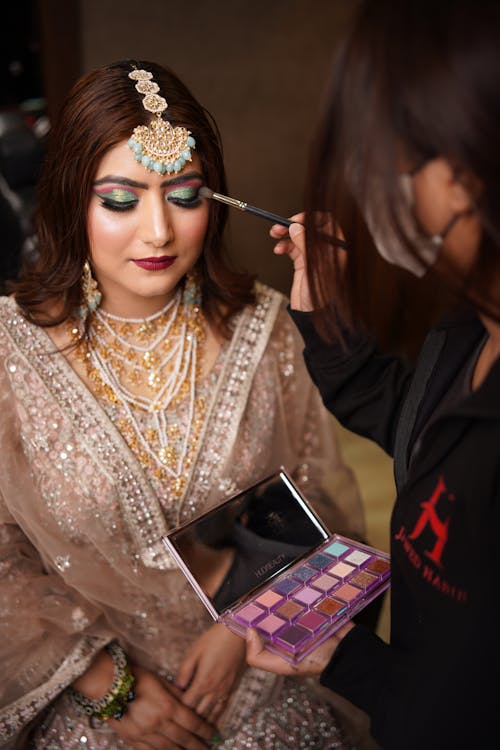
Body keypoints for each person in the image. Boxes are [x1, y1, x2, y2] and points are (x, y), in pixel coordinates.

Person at [0, 59, 366, 749]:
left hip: (255, 667)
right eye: (120, 199)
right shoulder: (8, 353)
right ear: (71, 200)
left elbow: (312, 498)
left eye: (185, 194)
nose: (160, 231)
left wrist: (242, 625)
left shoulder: (264, 329)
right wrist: (108, 687)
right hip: (86, 686)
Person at [246, 1, 500, 748]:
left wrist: (363, 672)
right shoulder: (466, 326)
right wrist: (326, 314)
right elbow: (414, 429)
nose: (367, 179)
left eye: (382, 151)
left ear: (462, 171)